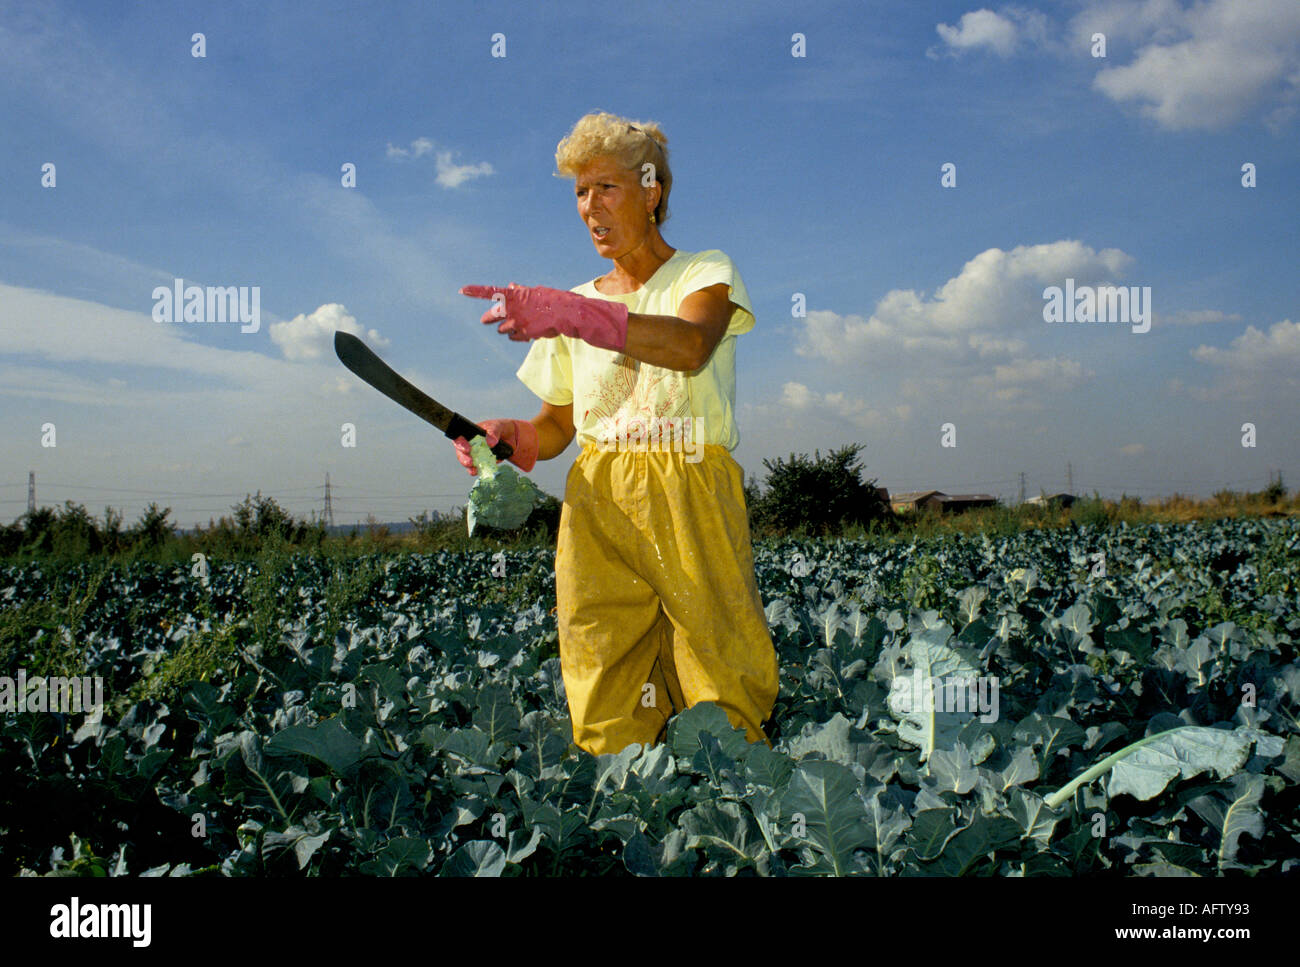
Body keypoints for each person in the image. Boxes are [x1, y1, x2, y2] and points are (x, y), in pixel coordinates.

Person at [454, 110, 778, 757]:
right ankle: (624, 798)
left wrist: (576, 315)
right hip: (599, 498)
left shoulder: (702, 273)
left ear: (652, 189)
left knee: (717, 651)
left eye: (606, 186)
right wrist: (507, 435)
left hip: (688, 481)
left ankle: (733, 792)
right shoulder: (577, 302)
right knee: (601, 656)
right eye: (579, 191)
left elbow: (690, 346)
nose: (588, 206)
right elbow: (554, 427)